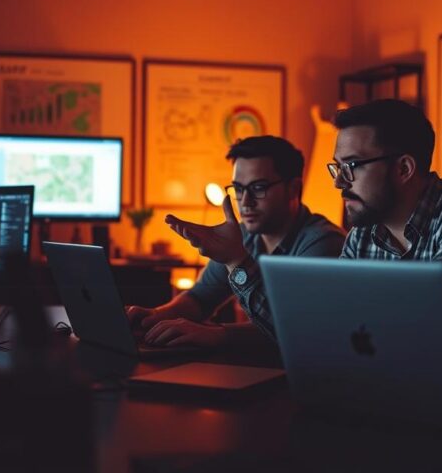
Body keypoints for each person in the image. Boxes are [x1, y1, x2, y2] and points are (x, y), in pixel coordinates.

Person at [331, 99, 442, 358]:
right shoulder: (363, 233)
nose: (339, 182)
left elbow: (422, 320)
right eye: (337, 167)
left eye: (350, 166)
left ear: (403, 169)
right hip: (384, 376)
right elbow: (337, 317)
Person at [131, 136, 345, 346]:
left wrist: (217, 334)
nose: (245, 202)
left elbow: (294, 327)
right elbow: (200, 299)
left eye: (258, 188)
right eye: (239, 189)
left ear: (294, 189)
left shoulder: (323, 242)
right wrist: (153, 316)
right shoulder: (243, 235)